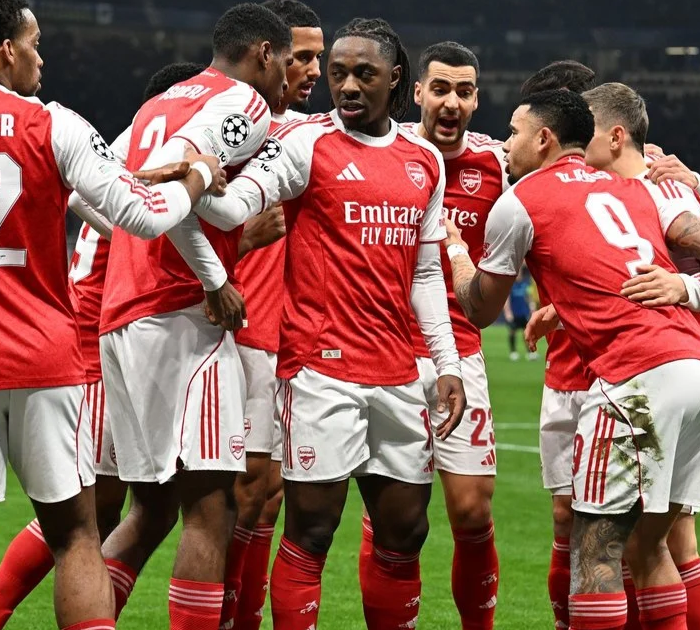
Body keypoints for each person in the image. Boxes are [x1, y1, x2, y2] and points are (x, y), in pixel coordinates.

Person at [0, 1, 226, 628]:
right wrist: (200, 174)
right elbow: (146, 216)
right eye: (34, 43)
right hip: (46, 357)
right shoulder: (54, 126)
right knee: (76, 535)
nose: (41, 57)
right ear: (5, 51)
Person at [193, 17, 466, 629]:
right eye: (338, 73)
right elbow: (240, 205)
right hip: (321, 372)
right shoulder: (304, 145)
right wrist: (199, 185)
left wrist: (446, 364)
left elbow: (425, 274)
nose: (345, 86)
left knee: (405, 531)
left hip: (399, 371)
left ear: (394, 79)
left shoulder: (424, 159)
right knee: (311, 529)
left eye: (363, 74)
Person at [445, 88, 700, 630]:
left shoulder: (522, 198)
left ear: (543, 138)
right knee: (653, 547)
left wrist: (458, 253)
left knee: (597, 552)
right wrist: (682, 285)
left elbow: (479, 311)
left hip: (638, 378)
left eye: (514, 132)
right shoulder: (636, 186)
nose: (506, 144)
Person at [0, 60, 209, 629]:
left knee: (146, 510)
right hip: (95, 355)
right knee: (92, 515)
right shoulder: (150, 179)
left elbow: (83, 202)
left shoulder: (120, 165)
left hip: (95, 347)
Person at [98, 4, 291, 627]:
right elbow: (178, 179)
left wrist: (211, 212)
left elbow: (106, 191)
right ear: (265, 53)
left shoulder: (156, 102)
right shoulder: (247, 104)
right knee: (212, 509)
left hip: (122, 313)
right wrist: (214, 276)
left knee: (148, 511)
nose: (287, 76)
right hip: (180, 319)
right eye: (286, 61)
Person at [385, 40, 508, 630]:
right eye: (440, 89)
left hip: (460, 351)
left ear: (477, 99)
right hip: (386, 353)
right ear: (417, 94)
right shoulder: (392, 152)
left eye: (463, 91)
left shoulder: (498, 164)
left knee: (470, 509)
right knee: (396, 519)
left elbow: (566, 176)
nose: (451, 102)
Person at [227, 1, 323, 627]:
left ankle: (244, 617)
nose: (313, 69)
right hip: (240, 330)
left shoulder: (315, 133)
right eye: (303, 56)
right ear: (271, 53)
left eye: (320, 55)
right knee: (241, 495)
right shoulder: (230, 125)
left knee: (267, 496)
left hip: (291, 337)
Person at [505, 268, 536, 361]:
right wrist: (508, 311)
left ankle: (530, 353)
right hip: (514, 313)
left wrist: (532, 307)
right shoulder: (510, 285)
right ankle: (513, 352)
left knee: (526, 333)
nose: (519, 275)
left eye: (520, 273)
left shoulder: (525, 285)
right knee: (512, 332)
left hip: (524, 312)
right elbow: (507, 300)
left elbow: (529, 297)